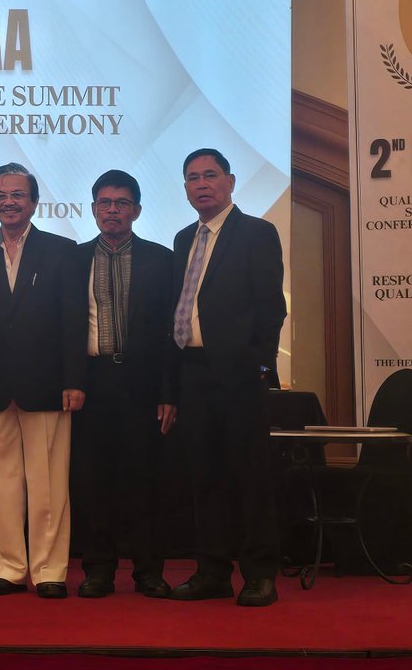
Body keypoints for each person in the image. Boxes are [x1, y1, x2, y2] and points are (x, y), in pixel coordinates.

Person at [0, 163, 85, 600]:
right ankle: (6, 567)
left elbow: (74, 321)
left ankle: (48, 571)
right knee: (0, 484)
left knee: (49, 485)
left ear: (34, 202)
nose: (9, 202)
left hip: (47, 385)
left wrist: (74, 379)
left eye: (17, 195)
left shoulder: (62, 250)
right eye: (1, 195)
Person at [168, 148, 287, 608]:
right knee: (205, 479)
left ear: (230, 182)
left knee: (250, 479)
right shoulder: (183, 238)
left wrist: (260, 366)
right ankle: (212, 573)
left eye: (210, 175)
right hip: (193, 373)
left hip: (240, 376)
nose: (202, 184)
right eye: (193, 177)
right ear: (184, 188)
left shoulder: (256, 233)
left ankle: (260, 575)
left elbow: (271, 308)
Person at [69, 170, 179, 599]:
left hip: (143, 383)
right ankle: (98, 570)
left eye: (121, 203)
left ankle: (149, 571)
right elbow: (63, 329)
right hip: (92, 383)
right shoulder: (73, 259)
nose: (112, 210)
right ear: (93, 209)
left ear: (136, 210)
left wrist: (168, 392)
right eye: (104, 203)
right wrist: (72, 380)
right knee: (94, 481)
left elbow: (173, 332)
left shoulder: (162, 260)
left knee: (145, 481)